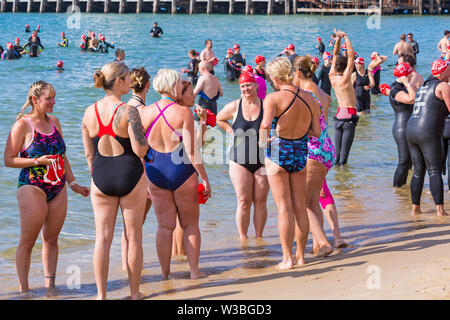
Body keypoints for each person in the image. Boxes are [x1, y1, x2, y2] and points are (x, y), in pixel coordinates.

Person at [3, 80, 89, 293]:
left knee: (51, 239)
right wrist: (36, 161)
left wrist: (73, 184)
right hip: (31, 185)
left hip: (57, 186)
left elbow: (62, 156)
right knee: (28, 241)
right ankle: (24, 291)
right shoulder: (23, 125)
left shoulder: (55, 122)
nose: (53, 102)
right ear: (35, 100)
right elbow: (9, 160)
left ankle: (50, 287)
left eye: (54, 97)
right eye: (48, 98)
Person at [81, 62, 149, 300]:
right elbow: (140, 150)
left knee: (102, 238)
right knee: (133, 237)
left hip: (101, 176)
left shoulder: (89, 111)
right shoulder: (129, 111)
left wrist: (97, 175)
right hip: (129, 174)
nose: (131, 82)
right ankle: (134, 292)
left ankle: (101, 295)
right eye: (128, 78)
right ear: (119, 81)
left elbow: (89, 154)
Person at [139, 68, 211, 279]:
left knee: (164, 226)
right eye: (179, 83)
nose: (182, 86)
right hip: (181, 169)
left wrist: (145, 179)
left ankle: (164, 274)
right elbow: (191, 150)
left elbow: (140, 151)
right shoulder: (183, 113)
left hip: (154, 171)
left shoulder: (144, 112)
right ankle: (194, 272)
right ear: (172, 86)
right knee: (190, 224)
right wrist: (205, 179)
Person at [259, 57, 321, 269]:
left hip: (278, 149)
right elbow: (316, 131)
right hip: (300, 151)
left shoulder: (273, 98)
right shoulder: (310, 98)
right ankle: (301, 257)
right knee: (299, 207)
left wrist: (262, 143)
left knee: (284, 209)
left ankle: (287, 259)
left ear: (275, 78)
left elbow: (265, 125)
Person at [292, 55, 336, 257]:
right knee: (313, 200)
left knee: (301, 202)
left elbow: (304, 125)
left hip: (312, 149)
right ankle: (317, 245)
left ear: (298, 73)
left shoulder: (304, 93)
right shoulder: (320, 91)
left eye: (292, 73)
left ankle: (323, 242)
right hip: (326, 148)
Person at [217, 72, 269, 241]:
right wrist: (229, 130)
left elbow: (278, 125)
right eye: (243, 86)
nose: (246, 88)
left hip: (262, 160)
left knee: (260, 201)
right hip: (239, 160)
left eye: (249, 85)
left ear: (256, 85)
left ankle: (259, 238)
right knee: (243, 201)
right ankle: (243, 239)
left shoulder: (266, 105)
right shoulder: (234, 106)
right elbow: (219, 119)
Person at [406, 60, 450, 216]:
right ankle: (440, 210)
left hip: (410, 129)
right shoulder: (443, 86)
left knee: (418, 171)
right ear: (443, 72)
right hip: (427, 131)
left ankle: (415, 209)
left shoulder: (423, 86)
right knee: (434, 170)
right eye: (449, 70)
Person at [172, 80, 209, 257]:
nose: (194, 95)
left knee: (174, 221)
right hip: (185, 168)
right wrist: (205, 179)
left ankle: (176, 255)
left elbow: (197, 143)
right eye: (190, 93)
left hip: (169, 168)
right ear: (180, 96)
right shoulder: (184, 114)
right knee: (186, 220)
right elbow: (195, 148)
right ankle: (181, 256)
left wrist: (202, 122)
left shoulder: (173, 114)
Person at [329, 29, 358, 166]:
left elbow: (334, 55)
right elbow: (351, 57)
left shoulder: (332, 77)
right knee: (344, 157)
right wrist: (345, 37)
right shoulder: (346, 79)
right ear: (346, 67)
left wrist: (337, 40)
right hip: (349, 116)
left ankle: (337, 179)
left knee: (337, 156)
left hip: (338, 116)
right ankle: (344, 184)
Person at [389, 63, 417, 188]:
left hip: (408, 126)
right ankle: (396, 189)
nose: (413, 74)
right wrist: (407, 84)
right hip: (401, 128)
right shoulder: (395, 89)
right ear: (405, 75)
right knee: (404, 161)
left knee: (410, 161)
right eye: (410, 72)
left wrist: (409, 84)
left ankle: (403, 190)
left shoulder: (403, 87)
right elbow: (411, 99)